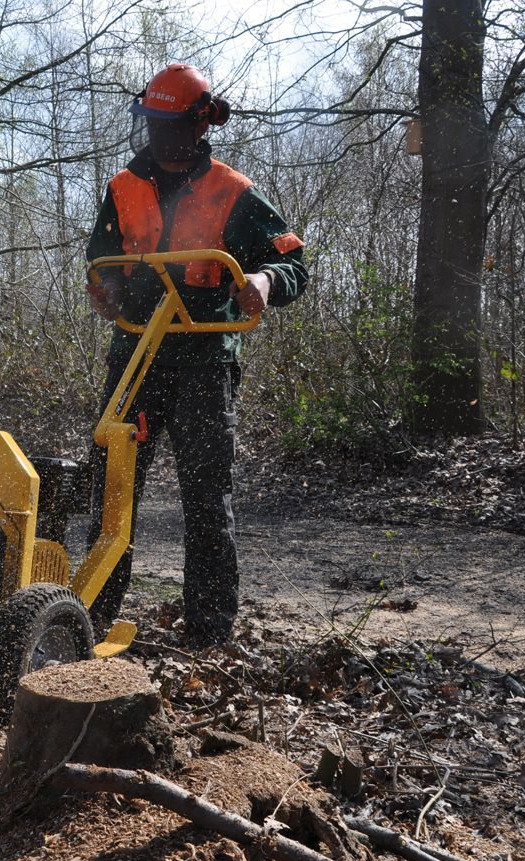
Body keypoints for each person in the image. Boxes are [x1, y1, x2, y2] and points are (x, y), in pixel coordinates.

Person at [84, 63, 308, 648]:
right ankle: (90, 615)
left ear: (201, 122)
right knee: (112, 487)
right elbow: (100, 260)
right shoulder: (121, 188)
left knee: (206, 495)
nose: (157, 135)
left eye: (170, 124)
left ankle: (208, 634)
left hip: (205, 359)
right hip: (135, 352)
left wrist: (264, 280)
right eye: (151, 123)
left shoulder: (234, 191)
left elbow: (294, 262)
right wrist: (102, 292)